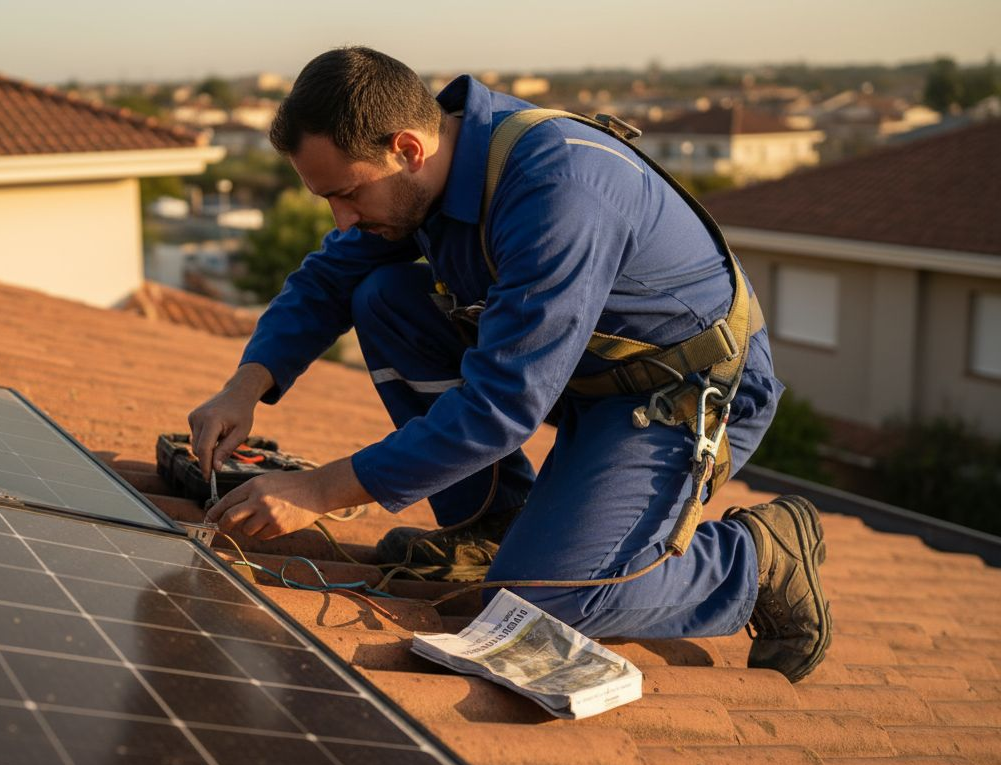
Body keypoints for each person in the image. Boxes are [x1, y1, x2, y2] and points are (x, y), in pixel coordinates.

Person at [188, 47, 829, 682]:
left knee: (536, 603)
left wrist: (319, 492)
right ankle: (490, 525)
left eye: (349, 193)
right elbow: (328, 280)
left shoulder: (556, 190)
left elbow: (499, 408)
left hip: (675, 398)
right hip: (575, 370)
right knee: (382, 297)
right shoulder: (428, 173)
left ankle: (755, 560)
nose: (343, 217)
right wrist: (243, 387)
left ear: (408, 148)